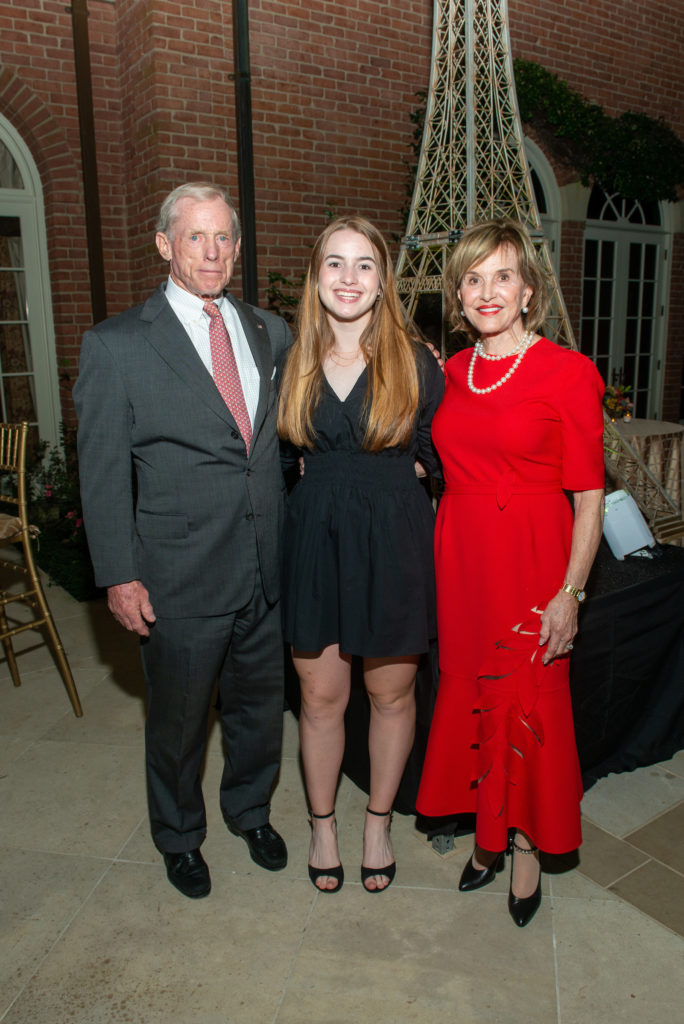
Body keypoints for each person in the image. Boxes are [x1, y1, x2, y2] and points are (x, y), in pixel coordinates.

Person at [74, 182, 293, 899]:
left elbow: (277, 445)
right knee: (178, 723)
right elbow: (102, 473)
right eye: (195, 236)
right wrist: (119, 575)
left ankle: (250, 810)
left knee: (259, 710)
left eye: (224, 236)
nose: (213, 251)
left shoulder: (268, 330)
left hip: (265, 569)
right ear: (165, 244)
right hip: (179, 575)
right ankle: (178, 835)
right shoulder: (117, 345)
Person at [416, 218, 605, 927]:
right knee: (472, 697)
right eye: (472, 278)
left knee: (529, 705)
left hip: (532, 561)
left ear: (528, 290)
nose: (486, 291)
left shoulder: (567, 372)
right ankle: (488, 836)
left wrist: (571, 594)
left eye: (502, 277)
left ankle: (524, 847)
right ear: (458, 296)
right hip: (464, 561)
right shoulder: (450, 374)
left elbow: (590, 500)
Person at [277, 216, 444, 893]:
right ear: (318, 277)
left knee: (391, 693)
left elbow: (440, 460)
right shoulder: (292, 362)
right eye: (336, 264)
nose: (350, 278)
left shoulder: (417, 360)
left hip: (393, 543)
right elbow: (280, 461)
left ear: (383, 280)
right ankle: (323, 827)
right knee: (320, 697)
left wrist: (403, 480)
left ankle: (377, 821)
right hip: (315, 539)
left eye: (365, 265)